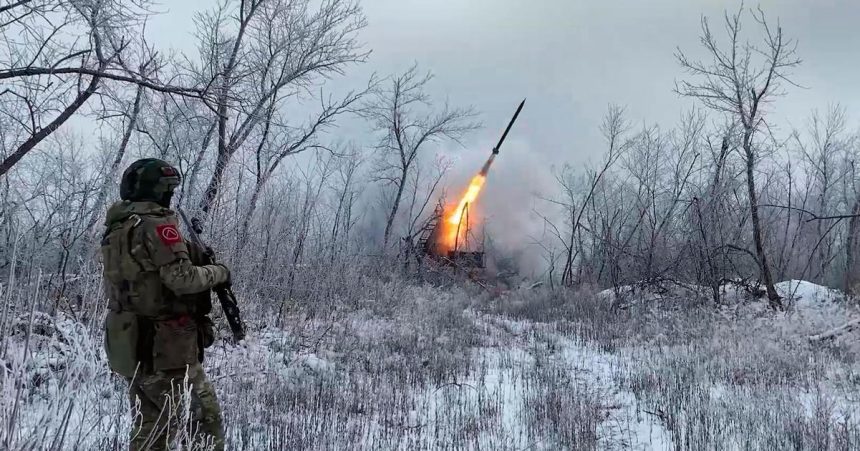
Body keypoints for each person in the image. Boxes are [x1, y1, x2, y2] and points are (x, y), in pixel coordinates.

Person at [101, 158, 230, 451]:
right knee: (203, 417)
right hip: (165, 346)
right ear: (159, 191)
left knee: (151, 424)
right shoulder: (156, 224)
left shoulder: (118, 226)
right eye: (169, 189)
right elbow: (182, 279)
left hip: (129, 341)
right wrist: (219, 272)